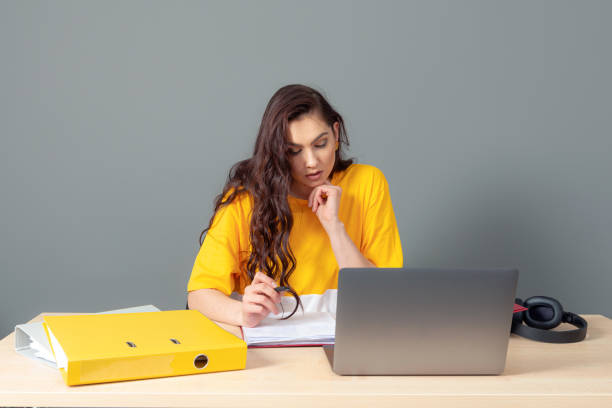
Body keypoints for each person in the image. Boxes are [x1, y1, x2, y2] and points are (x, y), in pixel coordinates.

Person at [187, 84, 403, 328]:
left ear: (335, 134)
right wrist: (242, 313)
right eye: (294, 151)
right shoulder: (245, 200)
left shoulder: (367, 183)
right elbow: (198, 295)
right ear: (278, 152)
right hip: (266, 343)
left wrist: (334, 226)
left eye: (320, 144)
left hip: (346, 339)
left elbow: (382, 296)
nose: (311, 162)